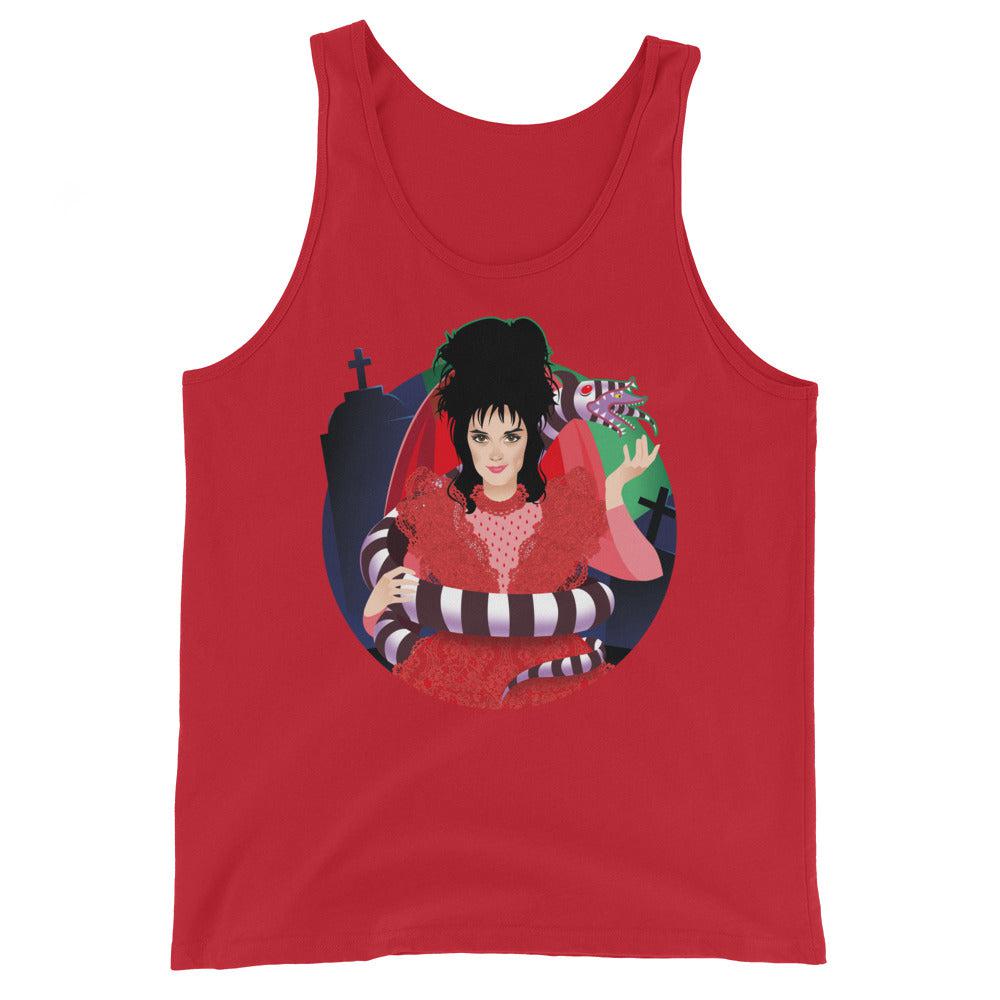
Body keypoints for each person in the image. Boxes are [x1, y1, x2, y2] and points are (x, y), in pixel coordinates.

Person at [363, 317, 662, 709]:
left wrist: (615, 492)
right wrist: (376, 606)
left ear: (529, 437)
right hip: (456, 677)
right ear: (464, 439)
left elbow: (645, 569)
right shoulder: (439, 514)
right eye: (481, 437)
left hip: (555, 679)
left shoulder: (561, 511)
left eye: (511, 436)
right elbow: (394, 612)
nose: (496, 454)